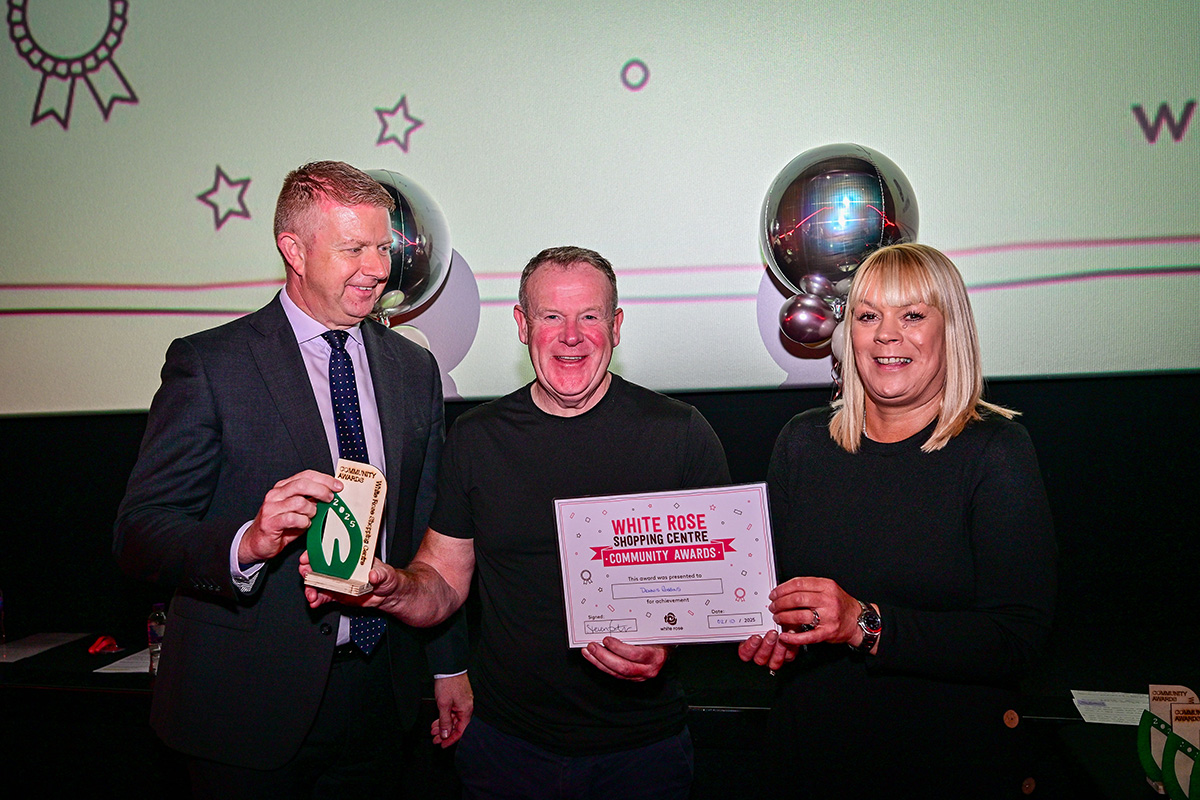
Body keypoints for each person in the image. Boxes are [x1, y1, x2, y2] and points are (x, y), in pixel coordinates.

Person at [303, 246, 731, 799]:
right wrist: (389, 588)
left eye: (590, 316)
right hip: (507, 751)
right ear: (523, 325)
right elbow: (443, 582)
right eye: (552, 316)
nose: (571, 336)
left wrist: (668, 645)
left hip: (642, 752)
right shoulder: (477, 438)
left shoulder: (680, 434)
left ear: (616, 326)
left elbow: (720, 592)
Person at [113, 161, 471, 798]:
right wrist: (247, 544)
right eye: (354, 249)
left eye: (383, 247)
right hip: (244, 709)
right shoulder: (211, 364)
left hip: (381, 698)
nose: (378, 268)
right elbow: (140, 534)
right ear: (294, 251)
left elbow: (428, 529)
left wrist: (447, 666)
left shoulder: (413, 369)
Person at [739, 242, 1056, 797]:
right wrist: (777, 636)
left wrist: (865, 624)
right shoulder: (802, 442)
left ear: (949, 331)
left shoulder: (995, 451)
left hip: (944, 765)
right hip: (811, 757)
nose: (887, 334)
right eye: (868, 317)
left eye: (911, 315)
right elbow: (777, 597)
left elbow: (1015, 639)